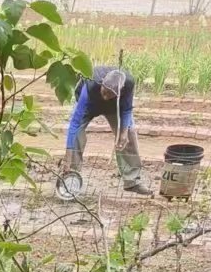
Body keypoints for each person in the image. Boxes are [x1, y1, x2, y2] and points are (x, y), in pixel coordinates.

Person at [64, 65, 153, 197]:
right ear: (102, 83)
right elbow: (75, 123)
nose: (105, 96)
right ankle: (71, 177)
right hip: (90, 104)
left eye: (109, 94)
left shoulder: (128, 85)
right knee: (77, 135)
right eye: (104, 91)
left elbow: (127, 109)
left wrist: (123, 133)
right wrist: (68, 153)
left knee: (128, 135)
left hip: (114, 107)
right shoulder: (91, 84)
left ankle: (132, 181)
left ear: (119, 92)